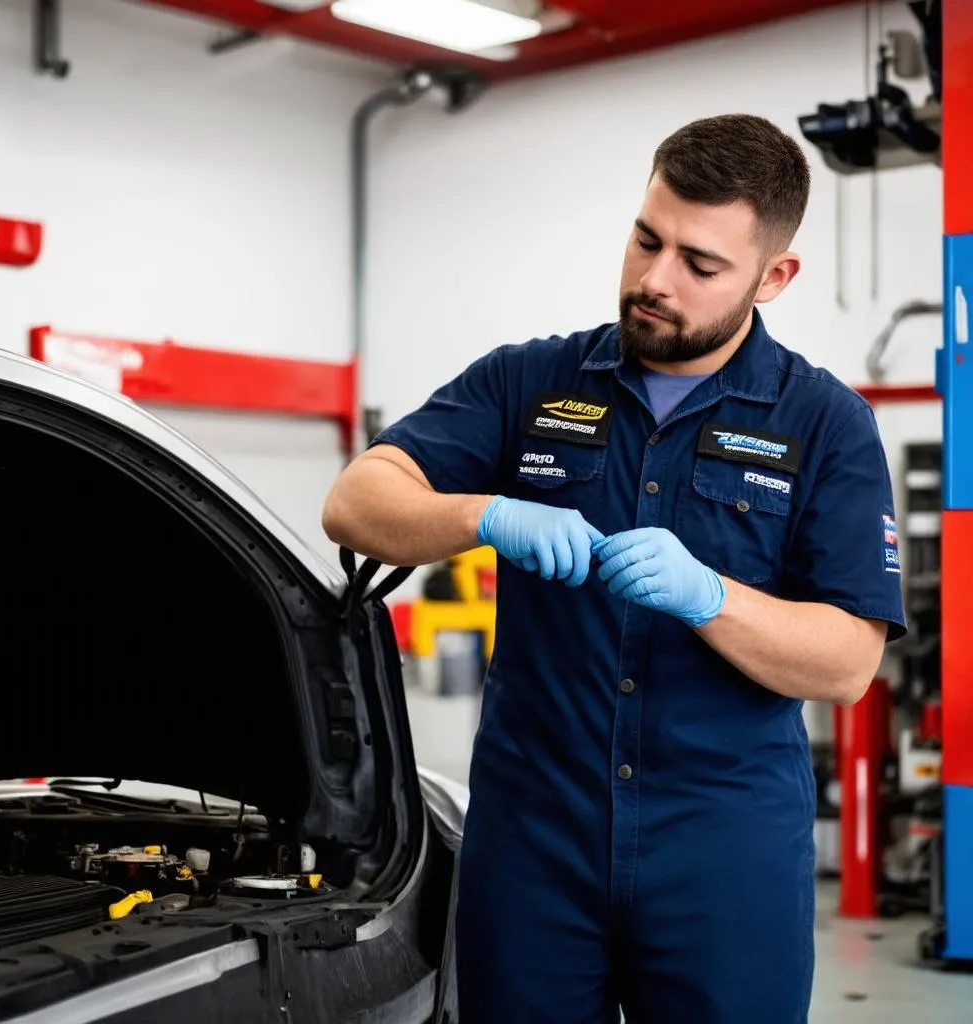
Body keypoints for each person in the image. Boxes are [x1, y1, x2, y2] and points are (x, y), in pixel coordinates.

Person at [322, 113, 907, 1024]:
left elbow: (846, 662)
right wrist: (482, 513)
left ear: (774, 275)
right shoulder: (529, 382)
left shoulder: (824, 424)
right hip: (535, 845)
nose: (653, 280)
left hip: (724, 855)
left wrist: (711, 598)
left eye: (700, 265)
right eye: (646, 240)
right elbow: (357, 501)